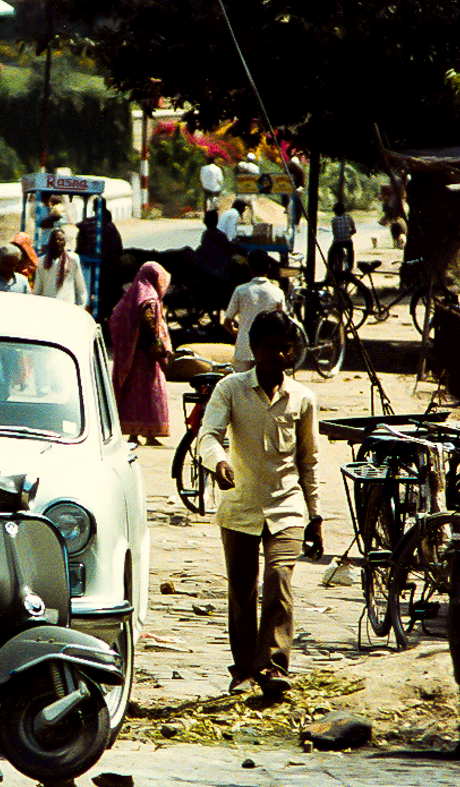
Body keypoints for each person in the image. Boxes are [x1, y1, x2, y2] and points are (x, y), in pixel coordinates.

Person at [198, 310, 320, 697]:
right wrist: (218, 462)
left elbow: (308, 460)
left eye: (287, 349)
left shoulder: (303, 398)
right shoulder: (230, 390)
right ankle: (244, 670)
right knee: (242, 590)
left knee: (278, 580)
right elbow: (209, 435)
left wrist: (315, 515)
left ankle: (273, 666)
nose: (281, 357)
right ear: (254, 350)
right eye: (272, 349)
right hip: (240, 506)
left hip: (287, 506)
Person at [109, 262, 174, 445]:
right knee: (151, 392)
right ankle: (150, 433)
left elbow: (116, 318)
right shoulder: (149, 299)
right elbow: (149, 322)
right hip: (146, 356)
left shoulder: (132, 294)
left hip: (131, 355)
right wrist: (156, 345)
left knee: (132, 394)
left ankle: (134, 433)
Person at [223, 250, 286, 372]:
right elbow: (283, 324)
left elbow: (227, 321)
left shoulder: (240, 291)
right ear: (269, 267)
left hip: (243, 350)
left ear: (250, 268)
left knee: (241, 386)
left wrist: (236, 333)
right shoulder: (277, 292)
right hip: (267, 351)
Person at [32, 228, 87, 307]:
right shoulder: (42, 261)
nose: (58, 243)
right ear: (50, 242)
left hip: (67, 307)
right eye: (55, 240)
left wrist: (81, 307)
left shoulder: (73, 259)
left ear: (64, 242)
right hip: (48, 306)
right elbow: (37, 289)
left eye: (61, 240)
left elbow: (81, 288)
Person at [328, 200, 355, 278]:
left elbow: (334, 232)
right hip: (347, 241)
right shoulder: (349, 217)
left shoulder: (334, 220)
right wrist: (348, 234)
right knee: (351, 252)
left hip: (338, 242)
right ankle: (350, 267)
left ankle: (330, 270)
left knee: (330, 254)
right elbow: (354, 230)